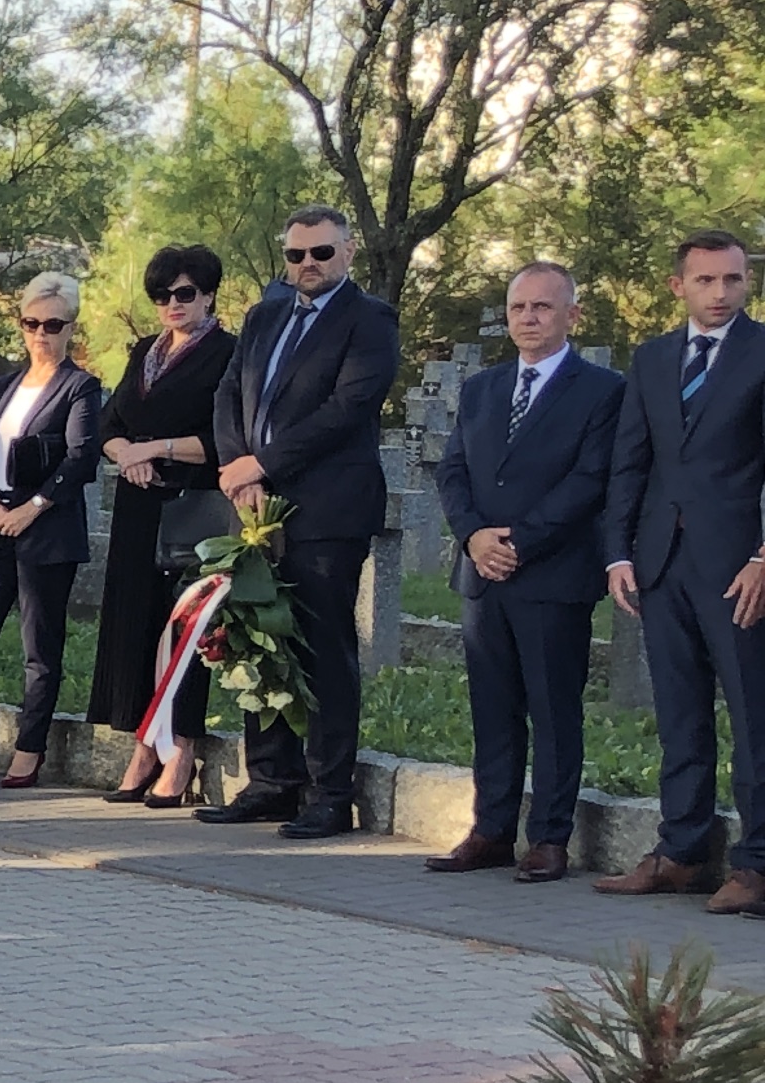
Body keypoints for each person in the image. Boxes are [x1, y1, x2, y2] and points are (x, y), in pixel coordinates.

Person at [200, 205, 400, 837]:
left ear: (348, 251)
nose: (307, 264)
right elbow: (227, 394)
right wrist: (238, 470)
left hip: (325, 512)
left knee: (322, 650)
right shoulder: (265, 316)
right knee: (260, 641)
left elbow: (348, 407)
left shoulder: (369, 319)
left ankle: (329, 792)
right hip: (254, 508)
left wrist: (262, 464)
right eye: (296, 254)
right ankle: (271, 781)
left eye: (321, 252)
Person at [429, 265, 618, 884]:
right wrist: (474, 537)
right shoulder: (483, 389)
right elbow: (453, 470)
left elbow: (589, 480)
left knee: (553, 709)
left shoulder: (602, 391)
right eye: (518, 307)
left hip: (552, 576)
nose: (529, 318)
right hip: (482, 573)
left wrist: (520, 543)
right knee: (493, 708)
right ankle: (491, 830)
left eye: (543, 307)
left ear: (572, 315)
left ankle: (549, 839)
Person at [595, 230, 765, 905]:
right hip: (661, 563)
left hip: (740, 568)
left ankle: (755, 864)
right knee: (679, 714)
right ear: (678, 286)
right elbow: (630, 461)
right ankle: (681, 851)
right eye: (706, 280)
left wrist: (763, 556)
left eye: (733, 279)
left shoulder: (761, 352)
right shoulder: (654, 358)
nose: (720, 292)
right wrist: (618, 552)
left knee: (753, 714)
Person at [0, 273, 103, 788]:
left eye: (53, 325)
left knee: (38, 648)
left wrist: (33, 507)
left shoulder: (80, 387)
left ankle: (29, 749)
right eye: (31, 323)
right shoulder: (4, 386)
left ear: (70, 328)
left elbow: (80, 459)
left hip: (46, 531)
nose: (41, 334)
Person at [85, 248, 234, 804]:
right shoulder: (144, 351)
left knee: (184, 629)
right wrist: (127, 454)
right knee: (136, 628)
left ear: (208, 295)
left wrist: (156, 448)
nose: (172, 304)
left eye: (184, 293)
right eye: (161, 295)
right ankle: (144, 746)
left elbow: (222, 439)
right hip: (138, 506)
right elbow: (109, 425)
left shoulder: (226, 354)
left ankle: (182, 749)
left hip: (192, 508)